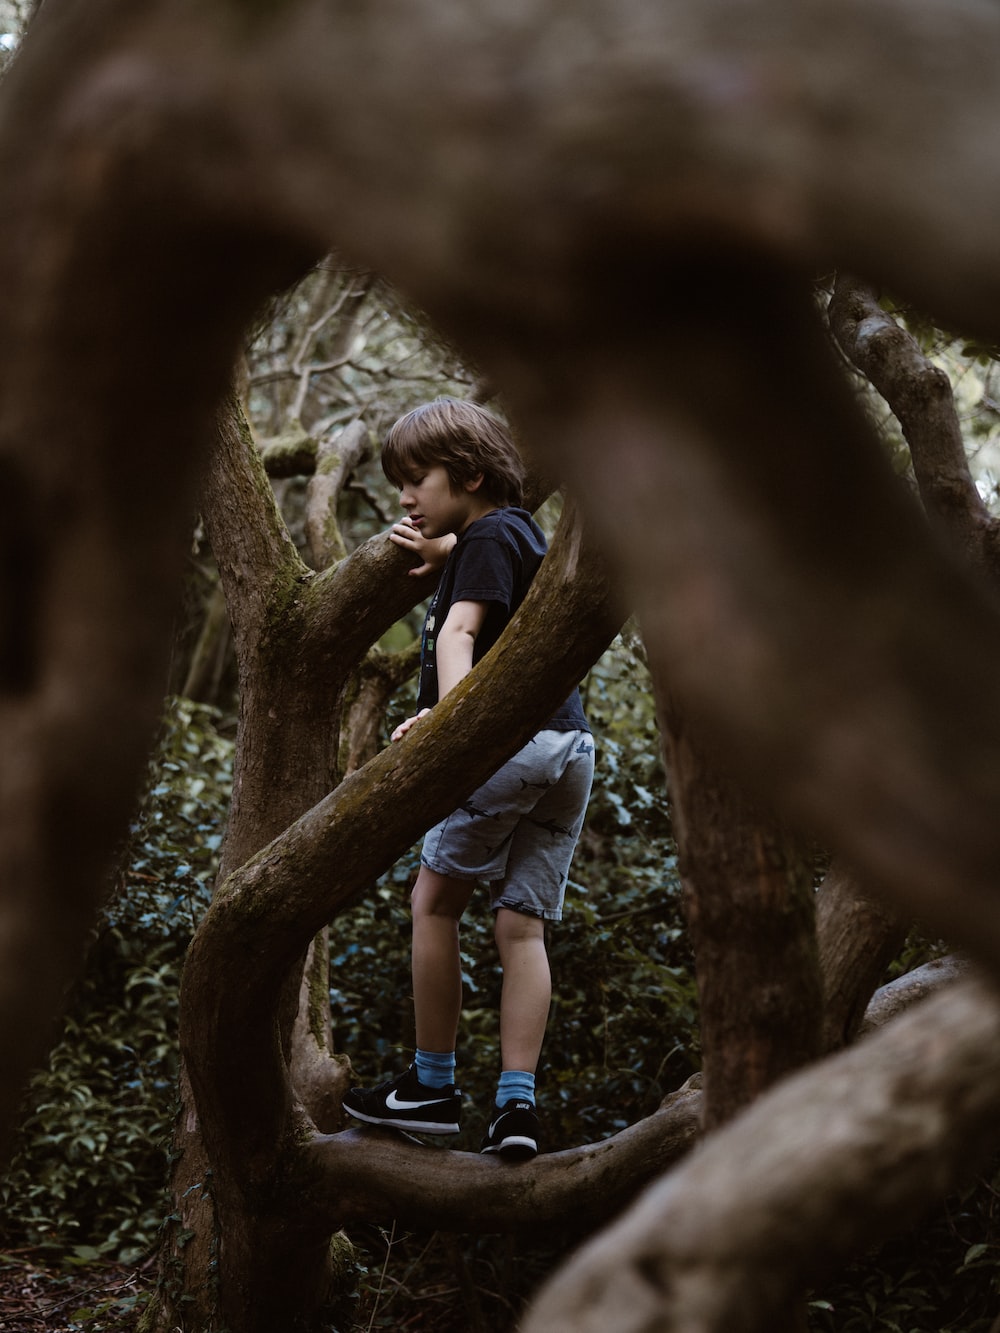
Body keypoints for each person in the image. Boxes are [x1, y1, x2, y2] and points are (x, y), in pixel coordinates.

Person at [342, 398, 594, 1161]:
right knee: (521, 925)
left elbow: (461, 631)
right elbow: (503, 585)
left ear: (472, 473)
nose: (405, 496)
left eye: (417, 478)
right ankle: (516, 1107)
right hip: (569, 750)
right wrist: (449, 552)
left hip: (508, 747)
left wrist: (455, 729)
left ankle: (432, 1087)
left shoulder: (487, 534)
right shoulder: (512, 536)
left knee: (434, 903)